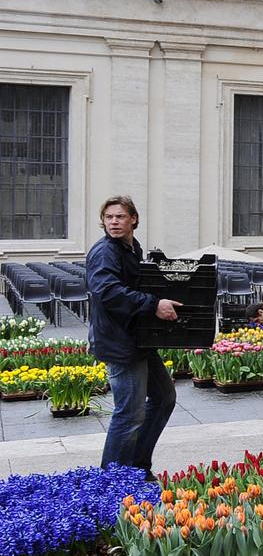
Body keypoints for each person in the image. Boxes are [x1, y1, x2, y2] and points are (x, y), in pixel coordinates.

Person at [86, 196, 180, 472]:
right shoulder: (105, 251)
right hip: (120, 344)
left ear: (134, 219)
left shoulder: (131, 247)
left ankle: (136, 467)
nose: (114, 222)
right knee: (129, 413)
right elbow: (107, 292)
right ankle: (112, 479)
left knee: (164, 398)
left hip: (137, 339)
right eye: (109, 217)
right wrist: (153, 304)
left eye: (120, 217)